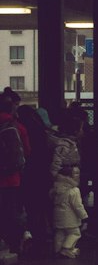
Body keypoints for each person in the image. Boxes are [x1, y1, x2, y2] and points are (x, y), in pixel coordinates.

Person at [17, 104, 54, 254]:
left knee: (32, 209)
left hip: (29, 176)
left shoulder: (25, 131)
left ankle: (36, 241)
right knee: (41, 207)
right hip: (43, 175)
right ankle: (43, 239)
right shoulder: (42, 132)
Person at [0, 94, 30, 262]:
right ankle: (14, 243)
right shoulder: (16, 126)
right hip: (12, 178)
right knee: (11, 210)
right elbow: (26, 151)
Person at [51, 171, 88, 258]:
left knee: (60, 233)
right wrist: (84, 216)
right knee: (75, 233)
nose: (78, 175)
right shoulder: (74, 190)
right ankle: (66, 248)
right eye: (75, 173)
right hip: (69, 218)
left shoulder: (56, 188)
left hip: (57, 216)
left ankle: (57, 250)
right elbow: (78, 206)